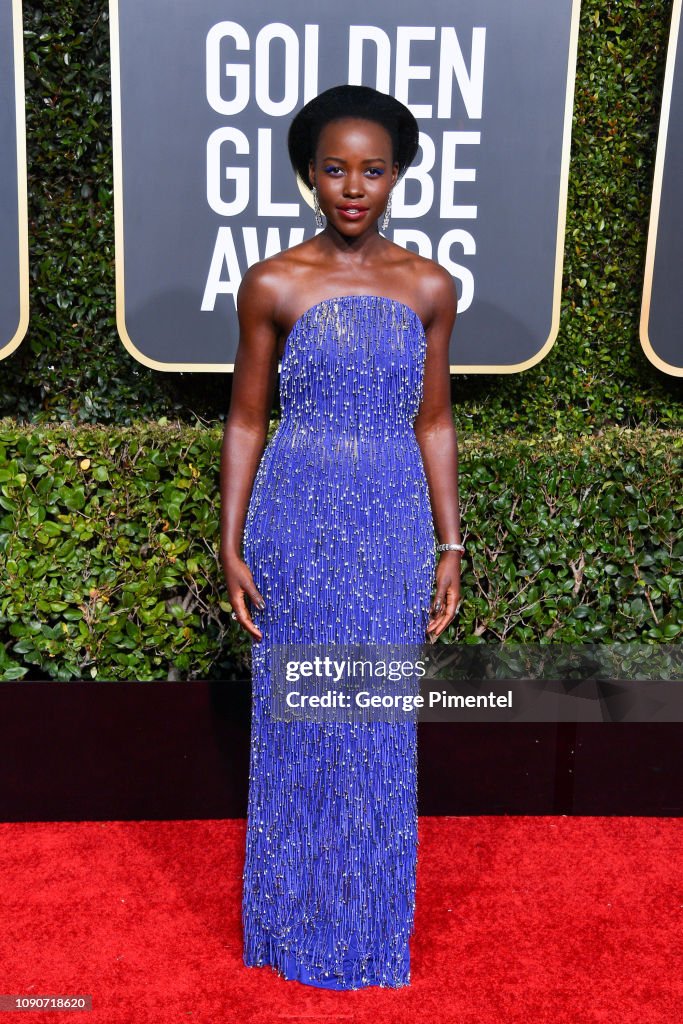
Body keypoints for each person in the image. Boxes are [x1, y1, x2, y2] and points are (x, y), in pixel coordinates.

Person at [220, 84, 462, 990]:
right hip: (296, 518)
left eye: (372, 169)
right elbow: (246, 419)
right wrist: (230, 538)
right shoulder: (274, 282)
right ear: (308, 176)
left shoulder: (431, 285)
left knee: (372, 730)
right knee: (299, 721)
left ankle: (363, 932)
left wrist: (449, 546)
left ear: (397, 175)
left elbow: (433, 423)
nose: (352, 186)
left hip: (393, 520)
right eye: (333, 169)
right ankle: (286, 926)